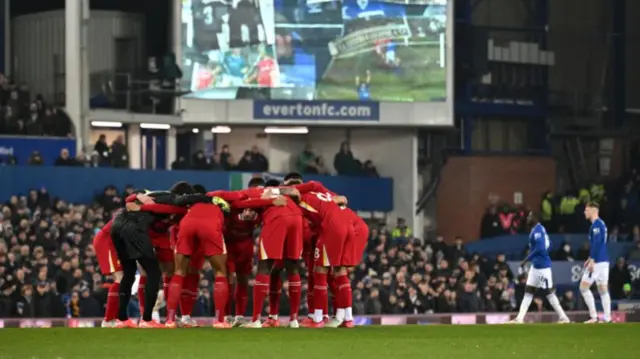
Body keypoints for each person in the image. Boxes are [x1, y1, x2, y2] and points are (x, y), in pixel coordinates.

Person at [223, 180, 303, 328]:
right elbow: (296, 192)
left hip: (277, 219)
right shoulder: (281, 190)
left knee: (264, 267)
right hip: (297, 218)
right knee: (293, 268)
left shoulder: (253, 192)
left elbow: (236, 203)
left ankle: (256, 320)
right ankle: (294, 320)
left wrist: (207, 197)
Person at [280, 175, 356, 328]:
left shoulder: (301, 197)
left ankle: (318, 319)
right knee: (341, 273)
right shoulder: (324, 195)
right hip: (348, 225)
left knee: (319, 272)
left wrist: (274, 191)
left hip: (331, 228)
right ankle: (348, 319)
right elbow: (343, 199)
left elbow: (295, 192)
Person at [509, 213, 570, 324]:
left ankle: (563, 317)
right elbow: (550, 244)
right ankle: (519, 318)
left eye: (530, 216)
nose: (527, 218)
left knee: (549, 293)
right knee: (528, 291)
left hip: (542, 268)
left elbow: (540, 248)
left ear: (535, 218)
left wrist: (526, 259)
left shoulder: (537, 230)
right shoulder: (540, 229)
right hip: (535, 267)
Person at [224, 177, 265, 326]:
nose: (260, 192)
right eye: (257, 189)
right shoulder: (234, 200)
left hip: (246, 245)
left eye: (262, 190)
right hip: (230, 245)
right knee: (229, 280)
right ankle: (225, 315)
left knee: (243, 280)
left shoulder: (263, 206)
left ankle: (239, 316)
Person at [581, 202, 611, 323]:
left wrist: (592, 259)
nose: (585, 212)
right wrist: (590, 257)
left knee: (583, 288)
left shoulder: (597, 225)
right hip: (604, 261)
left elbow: (598, 243)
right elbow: (598, 244)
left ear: (593, 211)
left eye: (587, 210)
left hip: (598, 262)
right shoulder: (600, 224)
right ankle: (608, 318)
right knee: (603, 290)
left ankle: (594, 317)